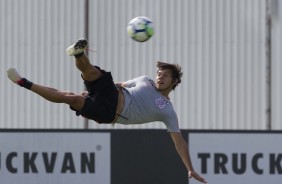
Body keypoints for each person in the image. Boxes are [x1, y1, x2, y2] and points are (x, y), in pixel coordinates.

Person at [7, 38, 207, 183]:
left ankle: (23, 82)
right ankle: (78, 53)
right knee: (92, 72)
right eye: (159, 73)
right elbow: (122, 83)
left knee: (72, 98)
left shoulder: (168, 111)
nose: (159, 77)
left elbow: (179, 142)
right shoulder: (145, 80)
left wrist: (190, 169)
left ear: (175, 81)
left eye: (165, 75)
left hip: (110, 113)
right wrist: (94, 90)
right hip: (112, 93)